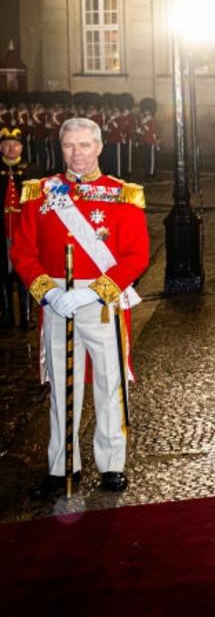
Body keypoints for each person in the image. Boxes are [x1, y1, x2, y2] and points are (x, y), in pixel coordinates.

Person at [11, 117, 149, 497]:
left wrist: (94, 292)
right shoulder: (39, 193)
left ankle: (111, 465)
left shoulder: (123, 195)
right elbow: (22, 251)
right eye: (70, 146)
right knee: (61, 386)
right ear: (61, 147)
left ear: (99, 147)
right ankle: (61, 466)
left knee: (109, 383)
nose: (77, 153)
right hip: (56, 301)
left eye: (85, 145)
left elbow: (136, 256)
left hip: (101, 302)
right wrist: (50, 293)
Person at [1, 127, 37, 329]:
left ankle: (26, 315)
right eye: (6, 145)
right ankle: (6, 315)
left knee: (24, 274)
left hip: (23, 232)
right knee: (3, 274)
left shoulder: (32, 170)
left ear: (22, 147)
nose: (10, 148)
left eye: (15, 144)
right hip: (2, 232)